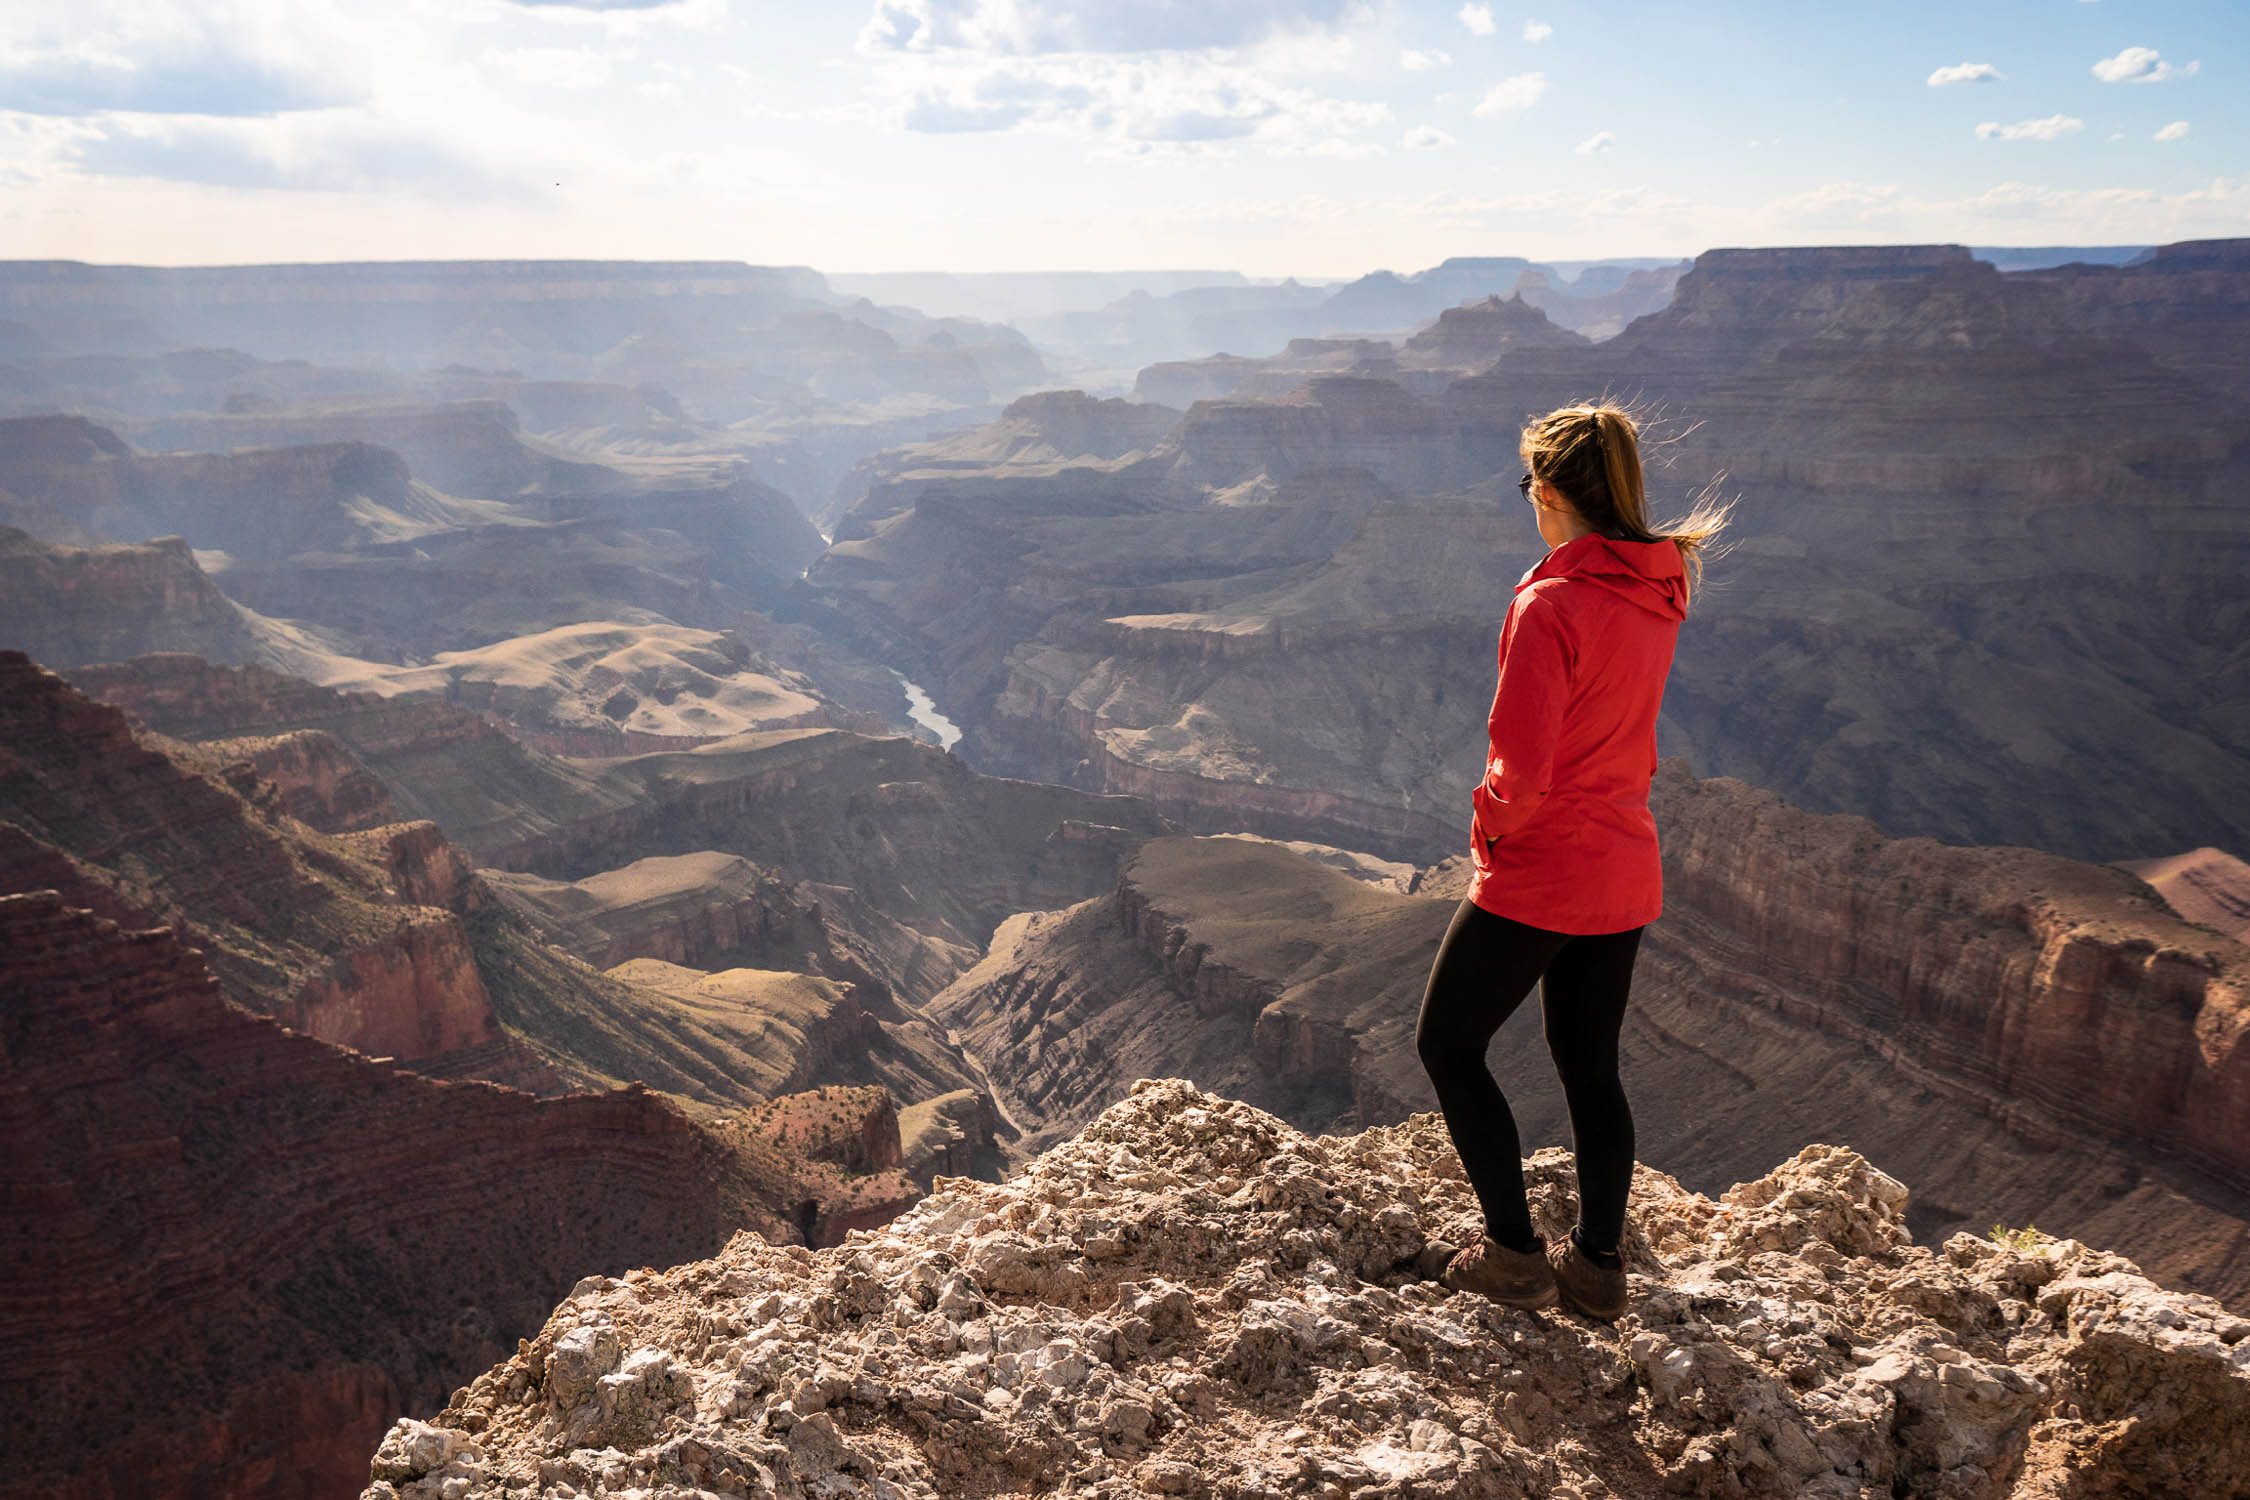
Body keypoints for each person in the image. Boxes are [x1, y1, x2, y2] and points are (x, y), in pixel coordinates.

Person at [1417, 401, 1727, 1320]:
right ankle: (1596, 1268)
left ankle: (1512, 1253)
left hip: (1547, 864)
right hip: (1625, 863)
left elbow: (1521, 765)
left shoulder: (1551, 604)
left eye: (1528, 486)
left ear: (1548, 490)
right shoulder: (1658, 587)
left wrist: (1489, 832)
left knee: (1447, 1044)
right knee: (1590, 1066)